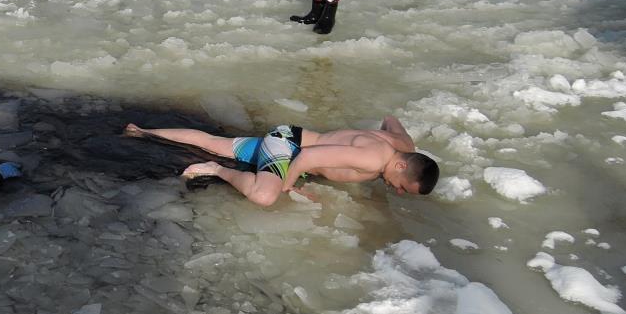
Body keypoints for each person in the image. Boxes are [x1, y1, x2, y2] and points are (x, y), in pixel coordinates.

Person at [122, 116, 438, 207]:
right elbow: (310, 156)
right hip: (289, 145)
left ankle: (141, 129)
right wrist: (288, 183)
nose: (397, 191)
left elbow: (390, 119)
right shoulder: (373, 159)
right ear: (401, 166)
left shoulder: (403, 145)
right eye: (402, 187)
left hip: (290, 138)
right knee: (265, 195)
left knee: (214, 143)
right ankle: (216, 170)